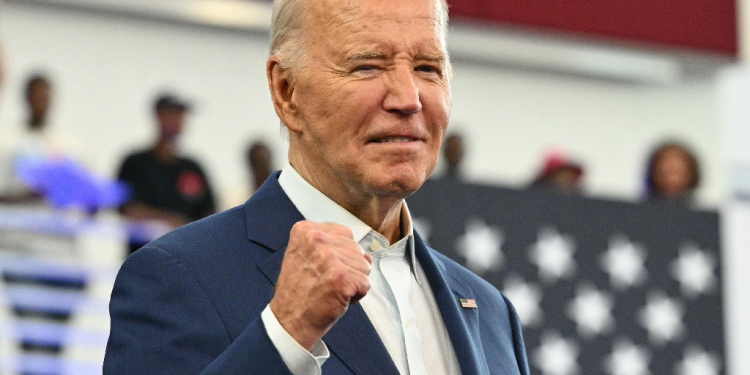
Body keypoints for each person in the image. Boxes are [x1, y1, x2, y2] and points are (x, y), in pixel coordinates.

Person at [104, 0, 529, 373]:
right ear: (287, 92)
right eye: (367, 65)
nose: (409, 98)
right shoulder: (177, 277)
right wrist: (285, 336)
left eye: (427, 68)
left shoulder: (491, 313)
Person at [116, 93, 216, 254]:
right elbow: (126, 208)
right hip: (142, 258)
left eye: (181, 115)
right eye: (173, 113)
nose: (178, 120)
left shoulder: (193, 167)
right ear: (158, 116)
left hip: (185, 260)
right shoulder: (135, 163)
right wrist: (169, 222)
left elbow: (210, 214)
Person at [0, 73, 87, 203]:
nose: (40, 103)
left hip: (53, 218)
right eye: (36, 97)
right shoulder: (7, 143)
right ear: (27, 98)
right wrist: (27, 195)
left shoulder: (66, 145)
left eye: (44, 97)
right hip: (15, 216)